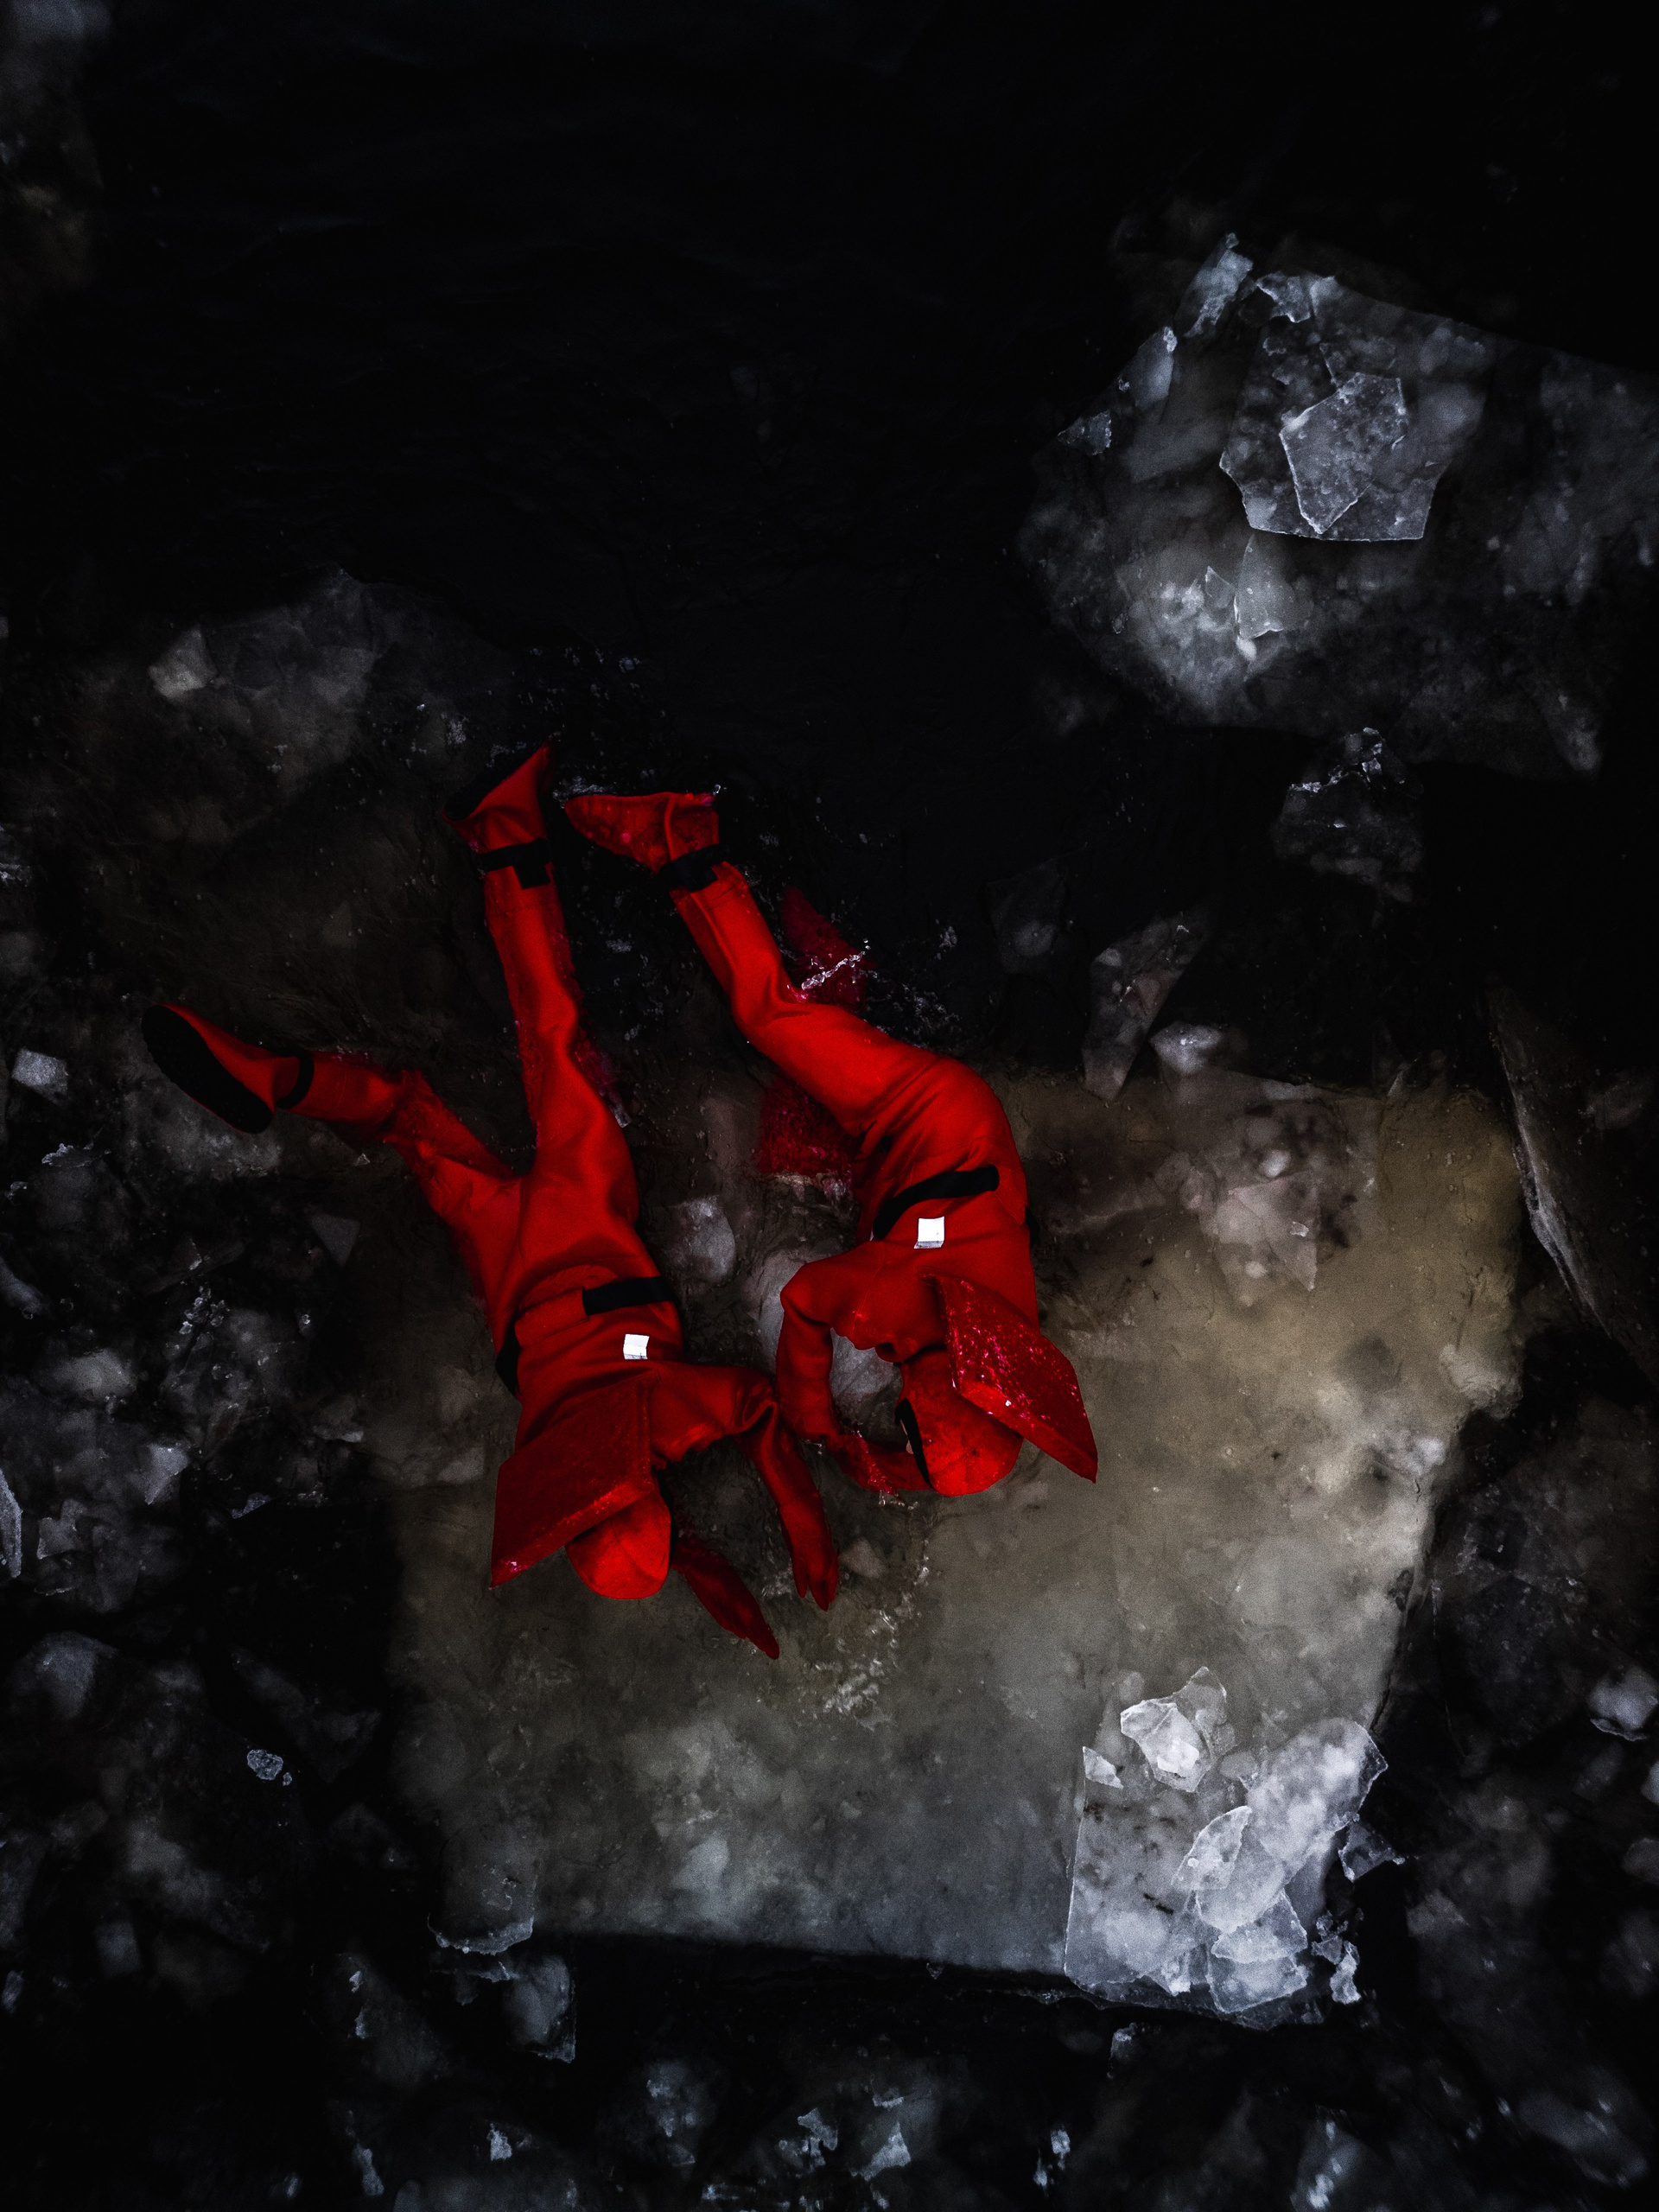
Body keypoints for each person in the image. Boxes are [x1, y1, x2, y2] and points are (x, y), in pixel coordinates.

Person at [141, 747, 838, 1656]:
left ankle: (505, 825)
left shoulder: (662, 1417)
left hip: (587, 1221)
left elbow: (751, 1406)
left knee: (553, 1033)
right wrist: (698, 1565)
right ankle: (275, 1078)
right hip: (507, 1266)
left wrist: (799, 1518)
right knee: (411, 1121)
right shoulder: (547, 1467)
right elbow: (631, 1496)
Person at [565, 789, 1099, 1497]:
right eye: (908, 1427)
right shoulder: (896, 1301)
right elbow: (806, 1299)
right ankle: (682, 841)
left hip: (961, 1142)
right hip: (918, 1108)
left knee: (807, 1103)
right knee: (767, 1016)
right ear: (915, 1406)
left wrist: (881, 1462)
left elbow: (953, 1439)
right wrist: (811, 1415)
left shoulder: (1000, 1351)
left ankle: (822, 950)